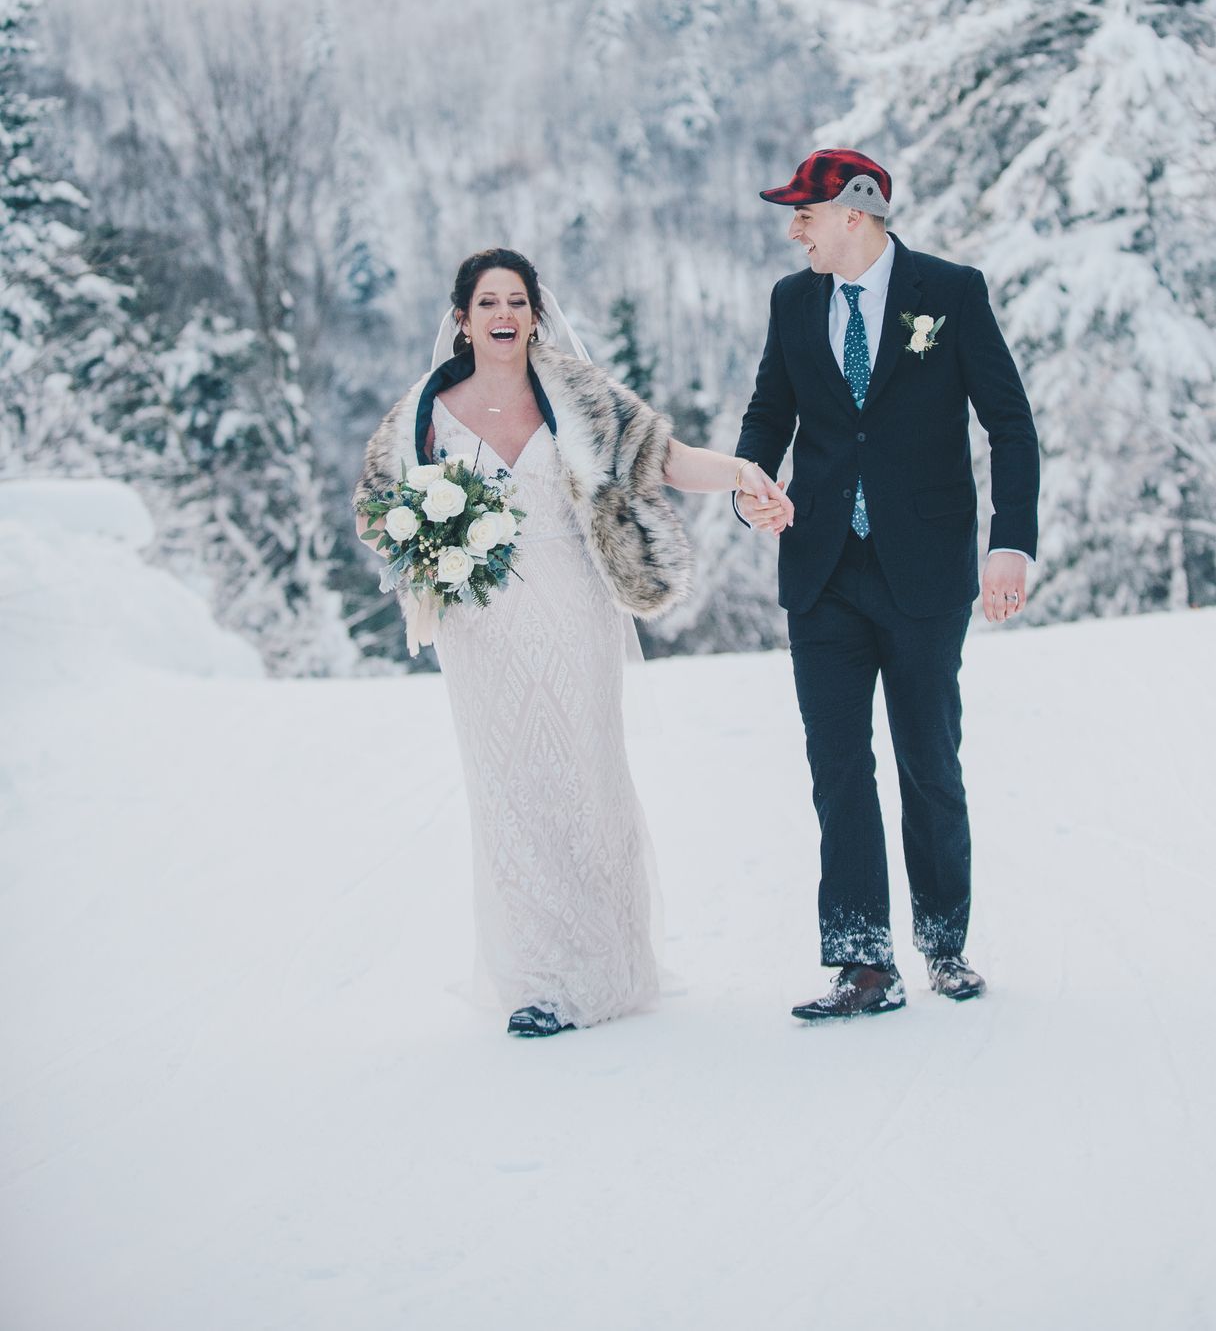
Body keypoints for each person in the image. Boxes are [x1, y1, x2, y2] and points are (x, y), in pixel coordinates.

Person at [355, 246, 791, 1039]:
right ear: (462, 319)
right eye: (488, 303)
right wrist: (429, 544)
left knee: (587, 772)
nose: (503, 316)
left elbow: (664, 459)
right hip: (479, 625)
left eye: (516, 301)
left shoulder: (577, 394)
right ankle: (536, 980)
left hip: (575, 608)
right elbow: (376, 509)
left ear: (536, 314)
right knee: (508, 786)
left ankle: (607, 965)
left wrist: (740, 473)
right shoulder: (423, 412)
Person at [734, 151, 1039, 1021]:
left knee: (928, 763)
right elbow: (769, 413)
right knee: (837, 770)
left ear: (855, 212)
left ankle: (943, 944)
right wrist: (750, 486)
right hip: (822, 571)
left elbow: (1010, 426)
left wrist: (1009, 544)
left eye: (804, 214)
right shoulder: (793, 302)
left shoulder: (952, 292)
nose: (795, 232)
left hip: (926, 571)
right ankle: (864, 961)